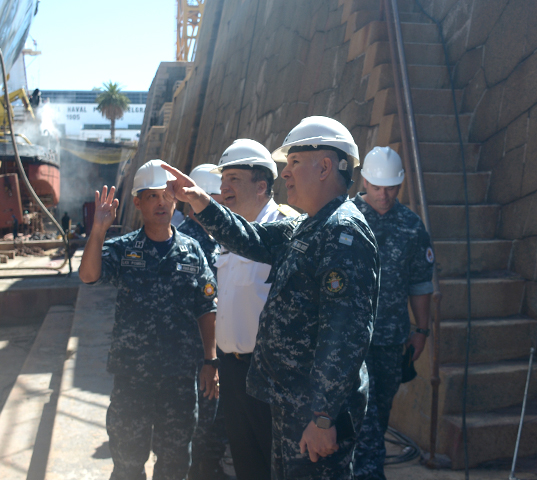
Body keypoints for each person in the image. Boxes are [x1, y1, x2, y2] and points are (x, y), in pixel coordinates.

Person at [162, 116, 380, 479]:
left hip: (313, 416)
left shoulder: (343, 233)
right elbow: (251, 238)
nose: (286, 174)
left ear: (324, 166)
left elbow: (344, 337)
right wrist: (200, 201)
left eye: (293, 163)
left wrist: (324, 417)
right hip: (289, 408)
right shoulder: (307, 226)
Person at [79, 159, 220, 480]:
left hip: (179, 380)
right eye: (152, 196)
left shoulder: (193, 251)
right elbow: (88, 276)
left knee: (174, 465)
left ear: (176, 199)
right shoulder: (125, 249)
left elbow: (206, 307)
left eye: (167, 195)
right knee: (128, 464)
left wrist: (210, 361)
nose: (161, 202)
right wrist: (99, 229)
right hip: (133, 378)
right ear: (138, 203)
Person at [210, 139, 297, 480]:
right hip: (232, 372)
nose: (223, 188)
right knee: (246, 464)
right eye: (222, 180)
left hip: (267, 374)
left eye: (233, 179)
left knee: (275, 466)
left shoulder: (285, 229)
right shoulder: (230, 232)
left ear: (262, 185)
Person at [351, 146, 434, 480]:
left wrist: (422, 330)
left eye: (391, 188)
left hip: (389, 341)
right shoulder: (344, 217)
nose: (383, 195)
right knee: (363, 418)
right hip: (348, 340)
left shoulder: (411, 227)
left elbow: (420, 283)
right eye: (376, 187)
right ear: (364, 181)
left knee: (379, 414)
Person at [176, 164, 226, 480]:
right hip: (197, 352)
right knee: (198, 420)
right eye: (217, 198)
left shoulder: (216, 236)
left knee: (214, 419)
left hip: (215, 347)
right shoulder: (189, 244)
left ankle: (208, 468)